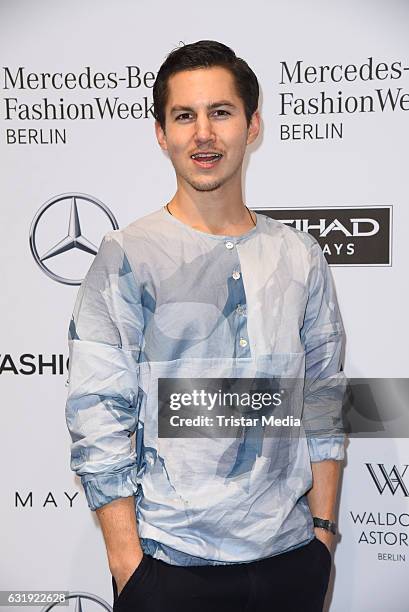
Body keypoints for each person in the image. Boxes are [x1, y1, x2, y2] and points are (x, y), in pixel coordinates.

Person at [65, 40, 346, 612]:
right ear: (161, 133)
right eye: (184, 116)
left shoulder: (299, 254)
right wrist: (129, 567)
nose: (203, 134)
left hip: (291, 561)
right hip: (168, 568)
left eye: (221, 112)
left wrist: (322, 535)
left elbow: (322, 399)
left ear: (253, 124)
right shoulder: (127, 255)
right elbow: (98, 414)